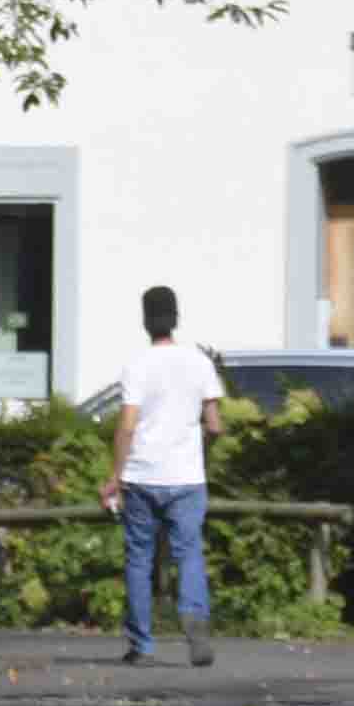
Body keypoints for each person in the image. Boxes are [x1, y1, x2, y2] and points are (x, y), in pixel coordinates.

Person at [73, 285, 220, 668]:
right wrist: (200, 451)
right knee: (188, 552)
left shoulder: (137, 365)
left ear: (145, 321)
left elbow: (126, 427)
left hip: (142, 477)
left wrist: (115, 476)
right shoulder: (199, 363)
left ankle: (141, 641)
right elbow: (216, 425)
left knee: (139, 558)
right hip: (187, 478)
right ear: (176, 318)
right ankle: (194, 616)